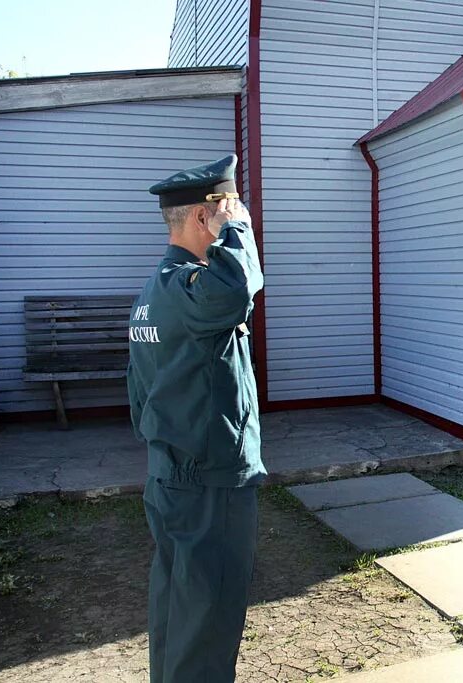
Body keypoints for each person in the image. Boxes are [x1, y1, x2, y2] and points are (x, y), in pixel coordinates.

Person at [127, 154, 266, 683]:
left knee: (178, 611)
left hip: (171, 471)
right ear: (205, 217)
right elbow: (237, 289)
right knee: (208, 617)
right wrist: (242, 227)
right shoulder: (194, 288)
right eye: (227, 211)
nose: (234, 219)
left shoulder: (154, 291)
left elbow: (139, 389)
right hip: (207, 479)